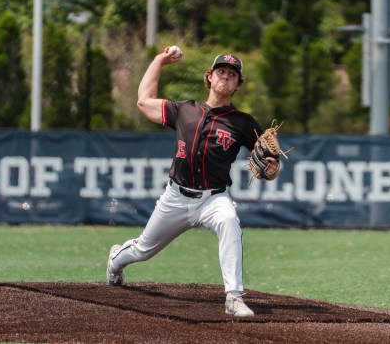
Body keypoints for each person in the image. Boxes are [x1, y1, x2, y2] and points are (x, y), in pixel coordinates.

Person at [106, 48, 279, 317]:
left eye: (232, 75)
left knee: (229, 221)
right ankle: (116, 260)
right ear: (209, 77)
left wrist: (271, 168)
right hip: (175, 197)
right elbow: (143, 101)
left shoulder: (244, 124)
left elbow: (269, 165)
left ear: (237, 85)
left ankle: (234, 297)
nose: (226, 77)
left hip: (213, 198)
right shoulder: (184, 110)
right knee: (142, 249)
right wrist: (158, 61)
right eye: (221, 71)